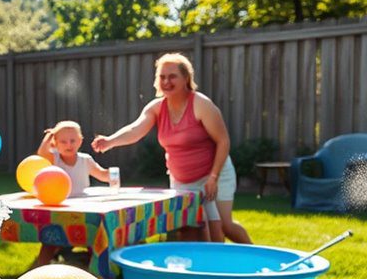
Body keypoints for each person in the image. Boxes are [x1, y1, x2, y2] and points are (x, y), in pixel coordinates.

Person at [92, 53, 250, 243]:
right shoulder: (157, 107)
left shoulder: (201, 104)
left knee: (224, 225)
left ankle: (256, 259)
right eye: (162, 77)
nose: (166, 81)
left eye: (172, 76)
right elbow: (135, 129)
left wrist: (213, 177)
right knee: (190, 230)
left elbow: (223, 141)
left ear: (186, 78)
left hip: (215, 174)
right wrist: (110, 141)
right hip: (181, 180)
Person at [35, 120, 110, 266]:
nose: (69, 145)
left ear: (80, 141)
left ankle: (92, 265)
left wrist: (111, 175)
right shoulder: (54, 159)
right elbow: (42, 154)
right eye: (63, 141)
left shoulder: (85, 160)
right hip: (60, 206)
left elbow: (102, 175)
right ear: (55, 143)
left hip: (83, 207)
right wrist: (49, 136)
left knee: (94, 234)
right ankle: (40, 267)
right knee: (50, 241)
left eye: (73, 140)